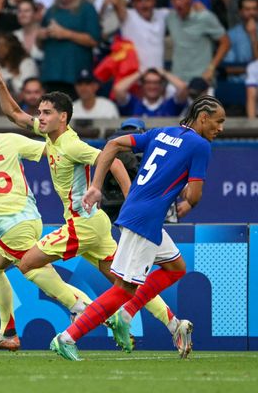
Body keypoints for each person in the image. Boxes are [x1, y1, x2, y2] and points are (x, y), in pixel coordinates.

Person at [0, 60, 184, 351]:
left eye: (46, 113)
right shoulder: (48, 134)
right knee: (124, 284)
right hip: (97, 224)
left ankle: (80, 308)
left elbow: (114, 160)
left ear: (63, 117)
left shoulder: (71, 145)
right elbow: (15, 114)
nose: (39, 118)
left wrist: (130, 200)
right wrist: (2, 85)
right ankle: (175, 325)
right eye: (40, 112)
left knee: (27, 263)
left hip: (81, 225)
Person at [50, 95, 225, 361]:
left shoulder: (161, 132)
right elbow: (194, 196)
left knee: (175, 268)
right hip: (145, 220)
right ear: (203, 118)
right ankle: (68, 337)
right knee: (122, 289)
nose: (221, 128)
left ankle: (127, 313)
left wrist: (96, 185)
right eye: (218, 121)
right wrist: (188, 193)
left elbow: (112, 144)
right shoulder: (200, 146)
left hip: (139, 214)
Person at [0, 103, 95, 351]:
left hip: (9, 225)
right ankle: (8, 332)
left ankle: (85, 309)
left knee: (35, 270)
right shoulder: (9, 139)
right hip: (29, 219)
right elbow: (53, 151)